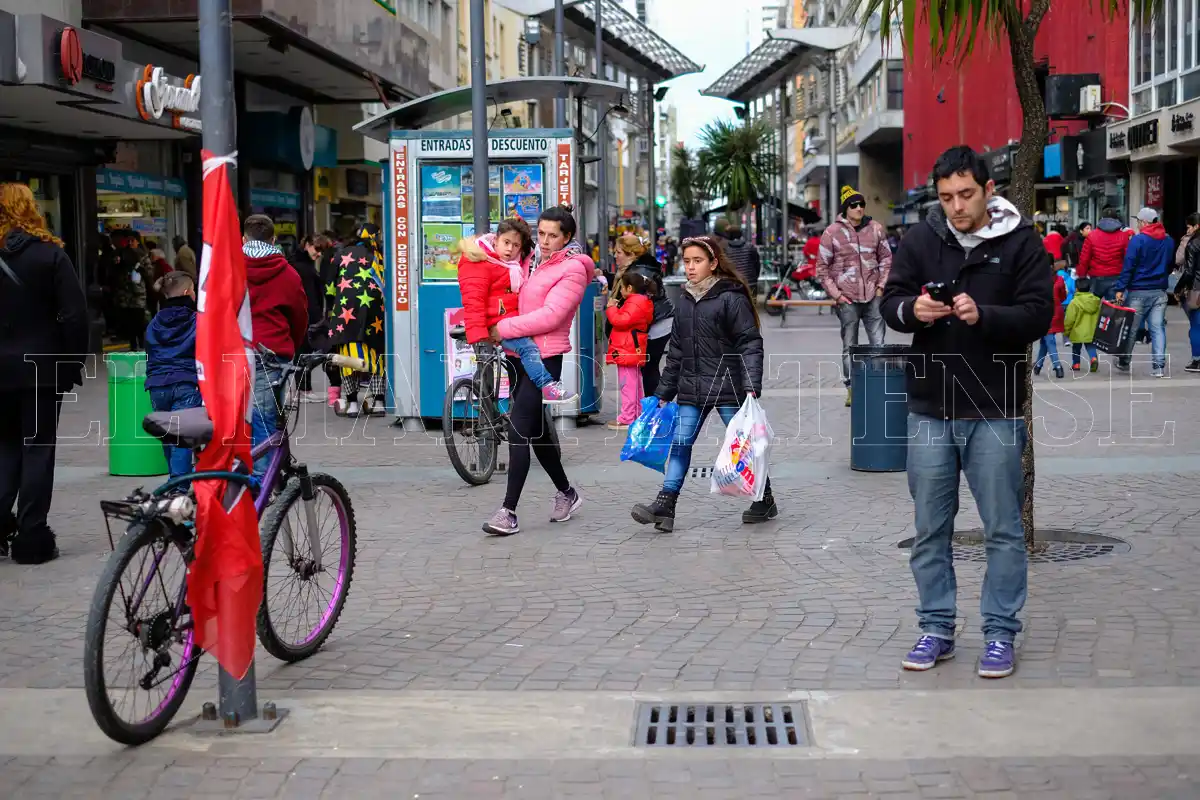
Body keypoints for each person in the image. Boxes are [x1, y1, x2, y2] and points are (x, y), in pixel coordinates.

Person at [880, 145, 1053, 680]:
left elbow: (1039, 314)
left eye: (966, 194)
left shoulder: (1020, 243)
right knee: (931, 529)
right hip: (930, 408)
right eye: (946, 196)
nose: (956, 206)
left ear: (988, 190)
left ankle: (1000, 634)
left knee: (1002, 528)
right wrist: (913, 311)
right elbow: (891, 302)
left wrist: (987, 315)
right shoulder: (921, 239)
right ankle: (936, 627)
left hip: (994, 410)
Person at [630, 235, 772, 532]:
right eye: (687, 261)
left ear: (713, 263)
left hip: (727, 386)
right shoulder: (684, 301)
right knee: (681, 445)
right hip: (691, 388)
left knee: (742, 447)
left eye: (698, 261)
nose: (691, 267)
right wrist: (664, 392)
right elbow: (677, 351)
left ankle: (765, 499)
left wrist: (751, 384)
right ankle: (665, 505)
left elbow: (749, 342)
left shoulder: (730, 298)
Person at [482, 206, 590, 536]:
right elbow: (489, 244)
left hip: (544, 357)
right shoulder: (534, 260)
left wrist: (504, 326)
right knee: (538, 432)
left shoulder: (573, 269)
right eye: (540, 233)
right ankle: (567, 494)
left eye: (553, 235)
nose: (544, 240)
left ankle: (508, 511)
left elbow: (551, 316)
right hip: (518, 354)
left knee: (519, 430)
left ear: (567, 237)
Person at [0, 182, 89, 564]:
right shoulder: (50, 255)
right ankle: (32, 535)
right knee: (37, 450)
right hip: (40, 370)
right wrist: (70, 365)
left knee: (3, 449)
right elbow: (74, 315)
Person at [459, 217, 576, 404]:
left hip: (506, 321)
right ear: (495, 239)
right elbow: (474, 300)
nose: (509, 249)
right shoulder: (479, 262)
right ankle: (547, 387)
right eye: (506, 242)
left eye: (515, 246)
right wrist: (480, 334)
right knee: (527, 348)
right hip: (494, 324)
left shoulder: (507, 264)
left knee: (522, 360)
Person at [243, 214, 308, 474]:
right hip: (273, 355)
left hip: (233, 353)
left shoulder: (228, 268)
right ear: (273, 239)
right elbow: (299, 317)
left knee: (236, 420)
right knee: (268, 419)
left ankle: (254, 475)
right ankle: (263, 483)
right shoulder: (288, 274)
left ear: (243, 238)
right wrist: (291, 345)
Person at [817, 185, 893, 406]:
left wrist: (881, 287)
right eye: (854, 205)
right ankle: (852, 388)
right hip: (847, 299)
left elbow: (886, 259)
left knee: (878, 344)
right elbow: (822, 269)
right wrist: (837, 296)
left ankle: (878, 386)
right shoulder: (832, 233)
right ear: (846, 209)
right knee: (850, 346)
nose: (859, 208)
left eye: (862, 204)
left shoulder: (876, 229)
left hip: (873, 296)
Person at [324, 223, 390, 416]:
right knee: (376, 354)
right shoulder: (377, 257)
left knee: (348, 356)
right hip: (373, 313)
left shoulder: (340, 255)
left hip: (345, 313)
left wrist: (332, 308)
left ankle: (352, 403)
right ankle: (378, 402)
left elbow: (329, 287)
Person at [145, 272, 200, 477]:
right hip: (185, 383)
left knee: (168, 436)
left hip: (157, 385)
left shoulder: (154, 323)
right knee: (181, 438)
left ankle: (173, 482)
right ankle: (178, 487)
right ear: (187, 292)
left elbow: (150, 353)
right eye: (193, 290)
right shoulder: (197, 320)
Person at [612, 234, 674, 398]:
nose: (615, 256)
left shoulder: (638, 273)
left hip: (656, 324)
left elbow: (637, 304)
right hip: (657, 322)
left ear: (631, 254)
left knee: (648, 367)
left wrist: (614, 313)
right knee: (648, 367)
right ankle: (650, 407)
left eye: (619, 252)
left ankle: (653, 408)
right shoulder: (637, 269)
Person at [1114, 207, 1174, 377]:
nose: (1138, 225)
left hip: (1138, 290)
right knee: (1157, 329)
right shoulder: (1168, 240)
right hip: (1159, 291)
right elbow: (1170, 263)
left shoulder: (1138, 240)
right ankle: (1159, 367)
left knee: (1132, 329)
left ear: (1145, 222)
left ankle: (1124, 361)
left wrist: (1120, 288)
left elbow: (1128, 266)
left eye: (1139, 221)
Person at [605, 270, 656, 429]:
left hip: (627, 349)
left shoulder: (635, 303)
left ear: (629, 288)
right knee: (635, 384)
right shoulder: (640, 302)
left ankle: (627, 417)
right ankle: (637, 414)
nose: (620, 291)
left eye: (622, 288)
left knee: (627, 385)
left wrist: (611, 308)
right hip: (631, 348)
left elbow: (620, 321)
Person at [290, 235, 331, 402]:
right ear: (307, 245)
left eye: (322, 250)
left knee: (305, 351)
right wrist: (316, 318)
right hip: (306, 316)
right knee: (307, 351)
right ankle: (303, 389)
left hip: (302, 315)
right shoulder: (303, 267)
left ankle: (303, 388)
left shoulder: (299, 263)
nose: (319, 254)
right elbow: (309, 296)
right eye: (317, 249)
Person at [1077, 206, 1133, 301]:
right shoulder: (1123, 236)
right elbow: (1128, 259)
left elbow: (1084, 259)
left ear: (1101, 219)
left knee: (1092, 308)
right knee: (1113, 310)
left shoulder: (1091, 236)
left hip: (1096, 277)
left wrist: (1082, 277)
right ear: (1117, 219)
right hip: (1116, 277)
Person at [111, 232, 151, 350]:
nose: (130, 243)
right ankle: (133, 344)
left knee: (139, 319)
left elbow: (149, 273)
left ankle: (141, 342)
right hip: (126, 294)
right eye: (128, 241)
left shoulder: (143, 256)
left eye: (132, 241)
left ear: (138, 241)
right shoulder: (123, 254)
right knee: (129, 320)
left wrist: (140, 269)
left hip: (138, 294)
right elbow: (116, 271)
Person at [1034, 261, 1067, 379]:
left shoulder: (1037, 279)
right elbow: (1063, 296)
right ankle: (1038, 365)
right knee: (1046, 341)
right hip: (1056, 310)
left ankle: (1058, 366)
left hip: (1043, 311)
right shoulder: (1059, 279)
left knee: (1049, 340)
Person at [1063, 277, 1101, 372]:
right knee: (1090, 345)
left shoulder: (1074, 302)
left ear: (1076, 289)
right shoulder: (1096, 301)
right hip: (1091, 329)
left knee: (1076, 348)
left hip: (1077, 330)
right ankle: (1093, 358)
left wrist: (1066, 331)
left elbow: (1070, 319)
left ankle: (1076, 364)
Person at [714, 216, 762, 289]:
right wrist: (755, 277)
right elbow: (757, 265)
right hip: (751, 283)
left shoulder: (724, 249)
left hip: (734, 284)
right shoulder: (750, 247)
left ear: (728, 235)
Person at [1178, 213, 1200, 373]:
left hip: (1197, 290)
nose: (1188, 230)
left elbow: (1189, 271)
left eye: (1189, 227)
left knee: (1196, 325)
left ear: (1196, 226)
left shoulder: (1193, 244)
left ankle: (1197, 360)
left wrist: (1178, 288)